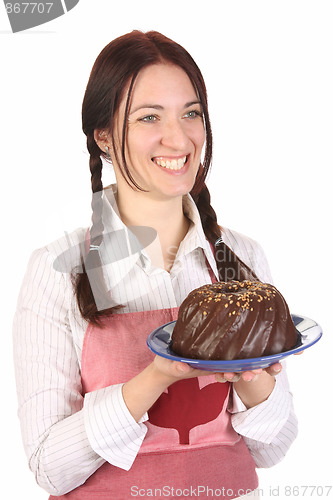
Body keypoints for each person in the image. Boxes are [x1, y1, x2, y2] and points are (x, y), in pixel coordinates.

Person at [13, 30, 298, 499]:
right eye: (149, 117)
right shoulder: (58, 271)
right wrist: (156, 377)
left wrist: (253, 380)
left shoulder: (242, 259)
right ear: (103, 136)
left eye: (191, 113)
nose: (178, 137)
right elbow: (49, 468)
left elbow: (272, 449)